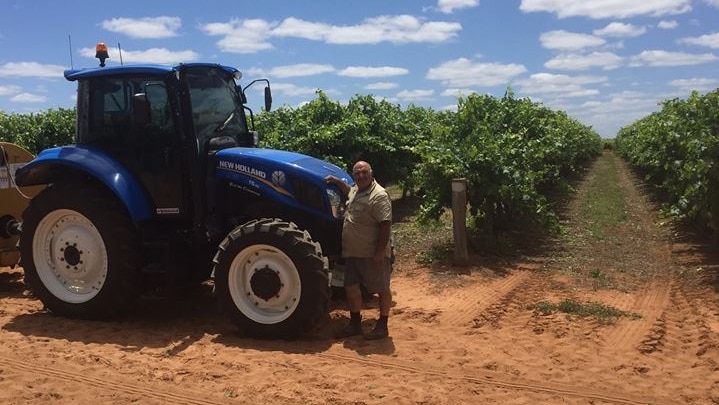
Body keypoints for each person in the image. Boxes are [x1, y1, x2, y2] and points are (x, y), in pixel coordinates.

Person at [326, 161, 393, 340]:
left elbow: (385, 225)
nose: (361, 176)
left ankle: (382, 325)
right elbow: (349, 190)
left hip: (371, 253)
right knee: (351, 288)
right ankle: (355, 324)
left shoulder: (379, 195)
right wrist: (336, 181)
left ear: (371, 173)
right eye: (357, 173)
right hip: (353, 253)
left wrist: (379, 253)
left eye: (364, 172)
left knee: (382, 288)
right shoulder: (356, 190)